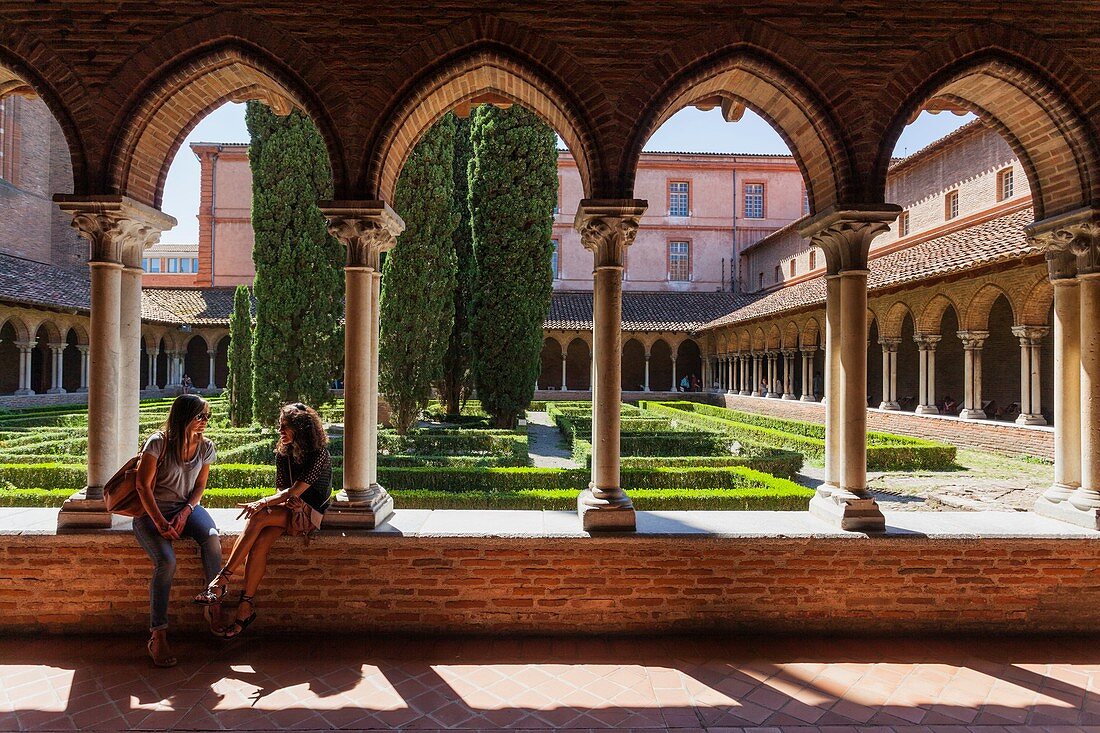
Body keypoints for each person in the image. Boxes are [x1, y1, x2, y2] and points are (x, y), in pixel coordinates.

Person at [195, 402, 333, 639]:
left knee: (259, 516)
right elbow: (282, 488)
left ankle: (220, 580)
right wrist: (278, 501)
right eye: (280, 426)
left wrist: (263, 502)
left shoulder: (319, 453)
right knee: (259, 545)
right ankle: (245, 606)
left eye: (285, 427)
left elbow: (295, 490)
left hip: (309, 514)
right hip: (288, 509)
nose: (280, 431)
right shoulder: (283, 451)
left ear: (300, 429)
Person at [133, 394, 221, 667]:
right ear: (184, 416)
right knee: (166, 563)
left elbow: (200, 487)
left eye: (207, 416)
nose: (205, 421)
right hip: (150, 513)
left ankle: (213, 605)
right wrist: (160, 521)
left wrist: (185, 512)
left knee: (212, 539)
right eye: (200, 416)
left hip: (186, 509)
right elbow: (142, 487)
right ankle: (157, 635)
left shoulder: (205, 447)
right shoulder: (158, 443)